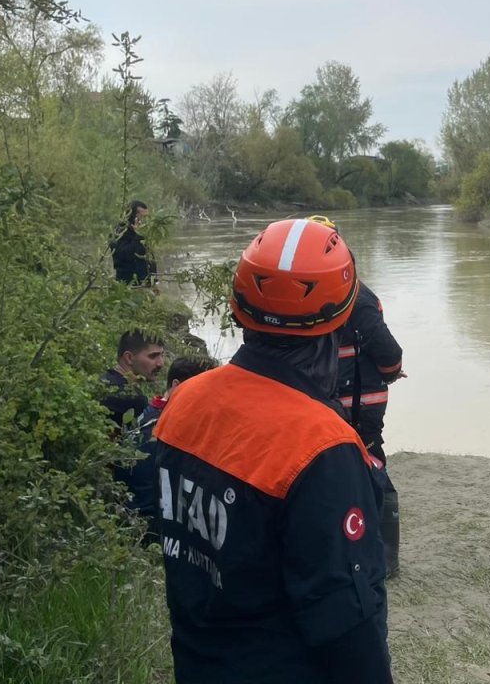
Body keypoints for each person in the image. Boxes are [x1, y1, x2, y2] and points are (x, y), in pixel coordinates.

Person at [152, 218, 394, 684]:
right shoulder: (323, 447)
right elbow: (346, 624)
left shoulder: (184, 402)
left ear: (238, 309)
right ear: (343, 319)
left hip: (198, 663)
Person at [307, 215, 406, 577]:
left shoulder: (320, 293)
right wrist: (392, 371)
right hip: (348, 399)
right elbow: (388, 353)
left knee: (360, 466)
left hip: (346, 400)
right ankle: (371, 553)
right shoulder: (355, 294)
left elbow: (384, 350)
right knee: (359, 467)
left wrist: (391, 369)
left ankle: (382, 556)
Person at [117, 356, 218, 525]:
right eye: (204, 390)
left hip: (132, 517)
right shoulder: (167, 430)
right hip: (152, 527)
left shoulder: (149, 414)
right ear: (177, 386)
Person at [101, 329, 166, 430]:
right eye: (153, 356)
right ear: (129, 358)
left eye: (162, 355)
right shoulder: (133, 399)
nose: (160, 363)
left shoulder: (102, 380)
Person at [111, 200, 156, 285]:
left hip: (146, 281)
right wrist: (138, 236)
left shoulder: (143, 232)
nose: (145, 221)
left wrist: (154, 280)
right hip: (129, 284)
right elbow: (123, 255)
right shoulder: (119, 232)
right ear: (133, 216)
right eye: (143, 217)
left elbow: (148, 256)